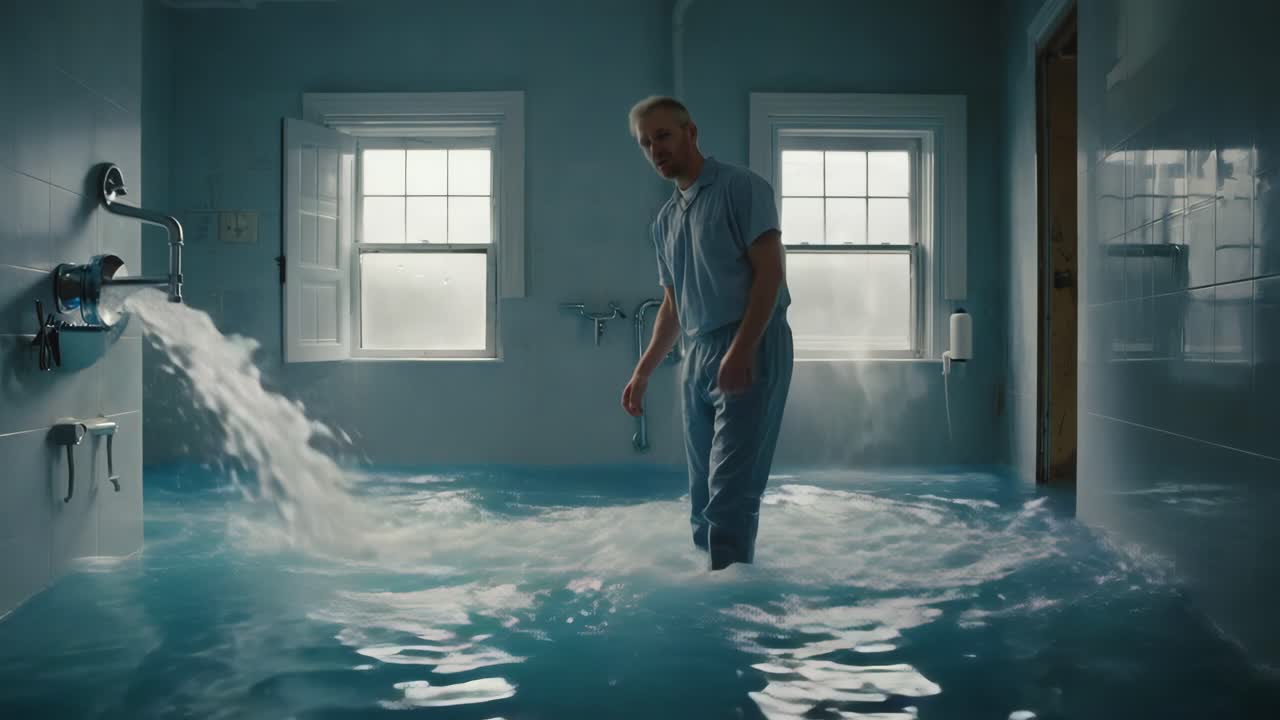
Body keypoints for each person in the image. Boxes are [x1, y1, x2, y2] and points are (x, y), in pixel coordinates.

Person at [621, 96, 794, 571]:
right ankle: (712, 595)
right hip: (698, 351)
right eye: (645, 143)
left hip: (751, 343)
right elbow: (673, 306)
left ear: (690, 132)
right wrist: (642, 373)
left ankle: (735, 612)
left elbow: (769, 275)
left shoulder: (742, 189)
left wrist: (741, 351)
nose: (655, 149)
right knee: (701, 493)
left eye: (663, 136)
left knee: (731, 492)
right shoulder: (665, 221)